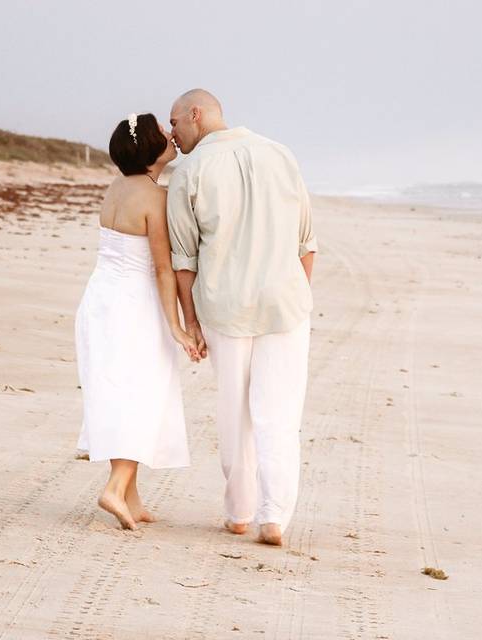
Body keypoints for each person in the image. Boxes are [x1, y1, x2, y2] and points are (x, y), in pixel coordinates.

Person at [167, 89, 318, 546]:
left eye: (175, 123)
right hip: (285, 304)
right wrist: (295, 296)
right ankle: (273, 518)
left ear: (196, 115)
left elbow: (184, 259)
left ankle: (239, 513)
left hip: (223, 303)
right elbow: (306, 241)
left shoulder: (188, 171)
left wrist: (190, 320)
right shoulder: (279, 153)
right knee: (280, 413)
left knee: (234, 409)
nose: (172, 135)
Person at [75, 113, 199, 530]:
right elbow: (164, 269)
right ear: (150, 148)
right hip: (133, 303)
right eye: (163, 134)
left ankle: (131, 495)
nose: (170, 137)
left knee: (117, 391)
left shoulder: (117, 187)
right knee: (143, 393)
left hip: (100, 298)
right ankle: (115, 486)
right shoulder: (154, 197)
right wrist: (178, 326)